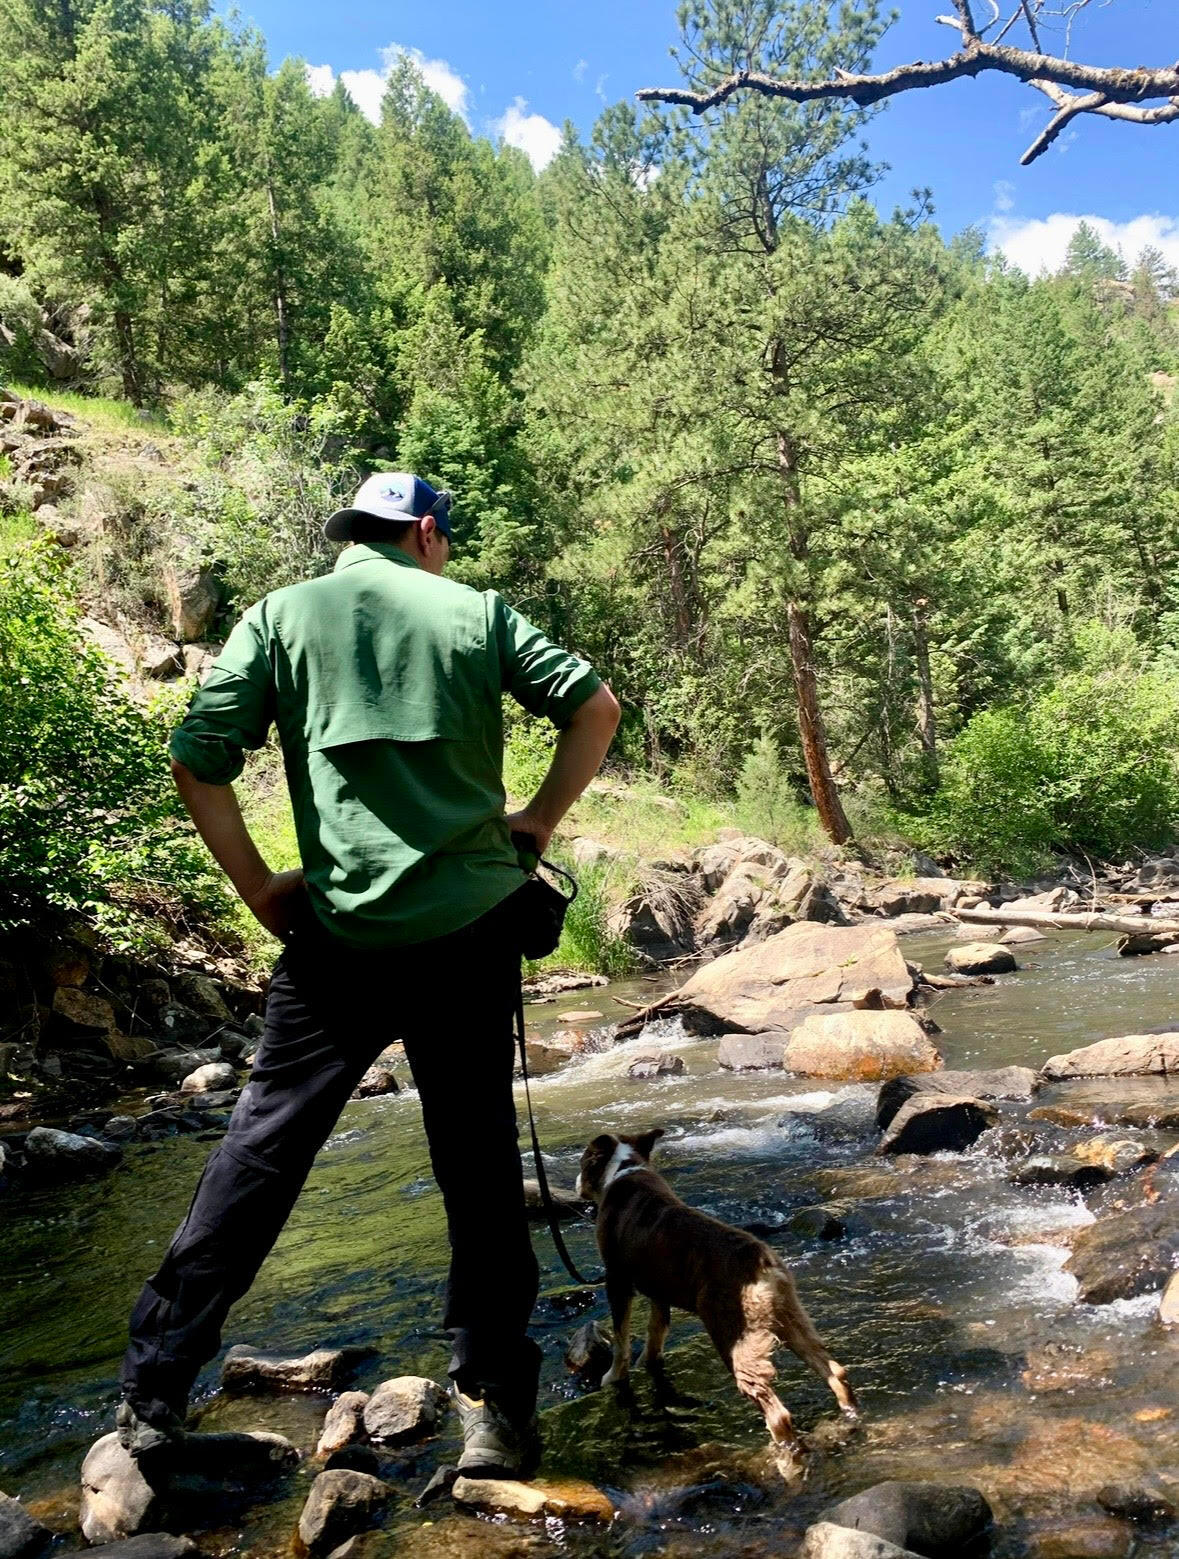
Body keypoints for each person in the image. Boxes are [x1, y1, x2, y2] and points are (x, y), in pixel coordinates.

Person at [115, 473, 620, 1479]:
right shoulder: (476, 612)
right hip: (469, 934)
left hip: (336, 942)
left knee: (260, 1151)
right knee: (477, 1168)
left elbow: (197, 759)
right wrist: (535, 821)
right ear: (426, 532)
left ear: (356, 534)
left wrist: (259, 886)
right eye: (444, 538)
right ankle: (495, 1410)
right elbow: (596, 709)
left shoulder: (280, 616)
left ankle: (153, 1390)